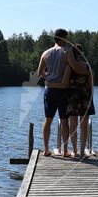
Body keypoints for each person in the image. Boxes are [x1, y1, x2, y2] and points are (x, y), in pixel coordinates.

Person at [37, 28, 87, 157]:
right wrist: (88, 72)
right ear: (62, 38)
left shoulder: (45, 53)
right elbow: (75, 67)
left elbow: (40, 73)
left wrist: (50, 76)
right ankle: (65, 151)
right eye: (66, 38)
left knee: (48, 120)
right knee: (64, 120)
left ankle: (46, 149)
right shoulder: (66, 52)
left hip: (49, 91)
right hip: (62, 91)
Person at [65, 44, 95, 157]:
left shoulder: (69, 66)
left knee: (72, 125)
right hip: (85, 95)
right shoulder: (87, 66)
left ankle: (74, 151)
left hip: (73, 96)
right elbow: (91, 83)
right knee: (84, 126)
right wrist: (91, 96)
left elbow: (66, 81)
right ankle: (82, 152)